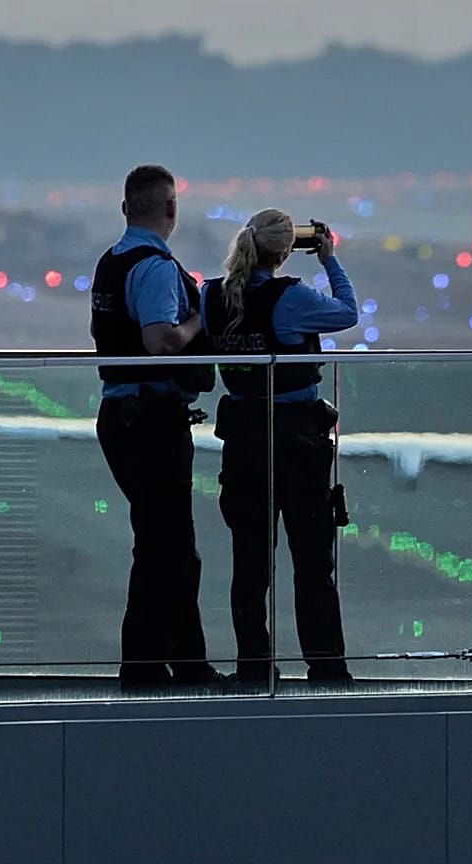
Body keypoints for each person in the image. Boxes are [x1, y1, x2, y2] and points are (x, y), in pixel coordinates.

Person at [202, 208, 357, 684]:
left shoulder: (212, 296)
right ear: (287, 250)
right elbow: (347, 313)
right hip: (296, 439)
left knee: (249, 561)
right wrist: (330, 260)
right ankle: (326, 665)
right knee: (312, 561)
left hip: (243, 436)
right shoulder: (290, 298)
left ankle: (253, 665)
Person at [89, 164, 223, 689]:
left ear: (126, 209)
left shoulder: (111, 263)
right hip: (151, 418)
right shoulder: (157, 268)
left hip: (120, 415)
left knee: (167, 544)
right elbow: (160, 341)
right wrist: (201, 319)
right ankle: (147, 668)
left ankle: (181, 661)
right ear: (170, 210)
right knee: (165, 548)